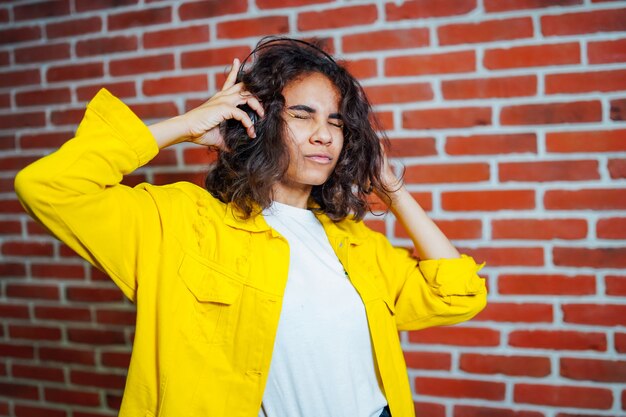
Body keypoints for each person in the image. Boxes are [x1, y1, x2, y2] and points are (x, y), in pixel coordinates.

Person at [15, 37, 487, 417]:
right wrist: (183, 125)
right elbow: (51, 187)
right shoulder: (182, 223)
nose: (323, 134)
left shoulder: (354, 244)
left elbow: (458, 295)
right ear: (257, 122)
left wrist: (395, 191)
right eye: (302, 115)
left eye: (336, 122)